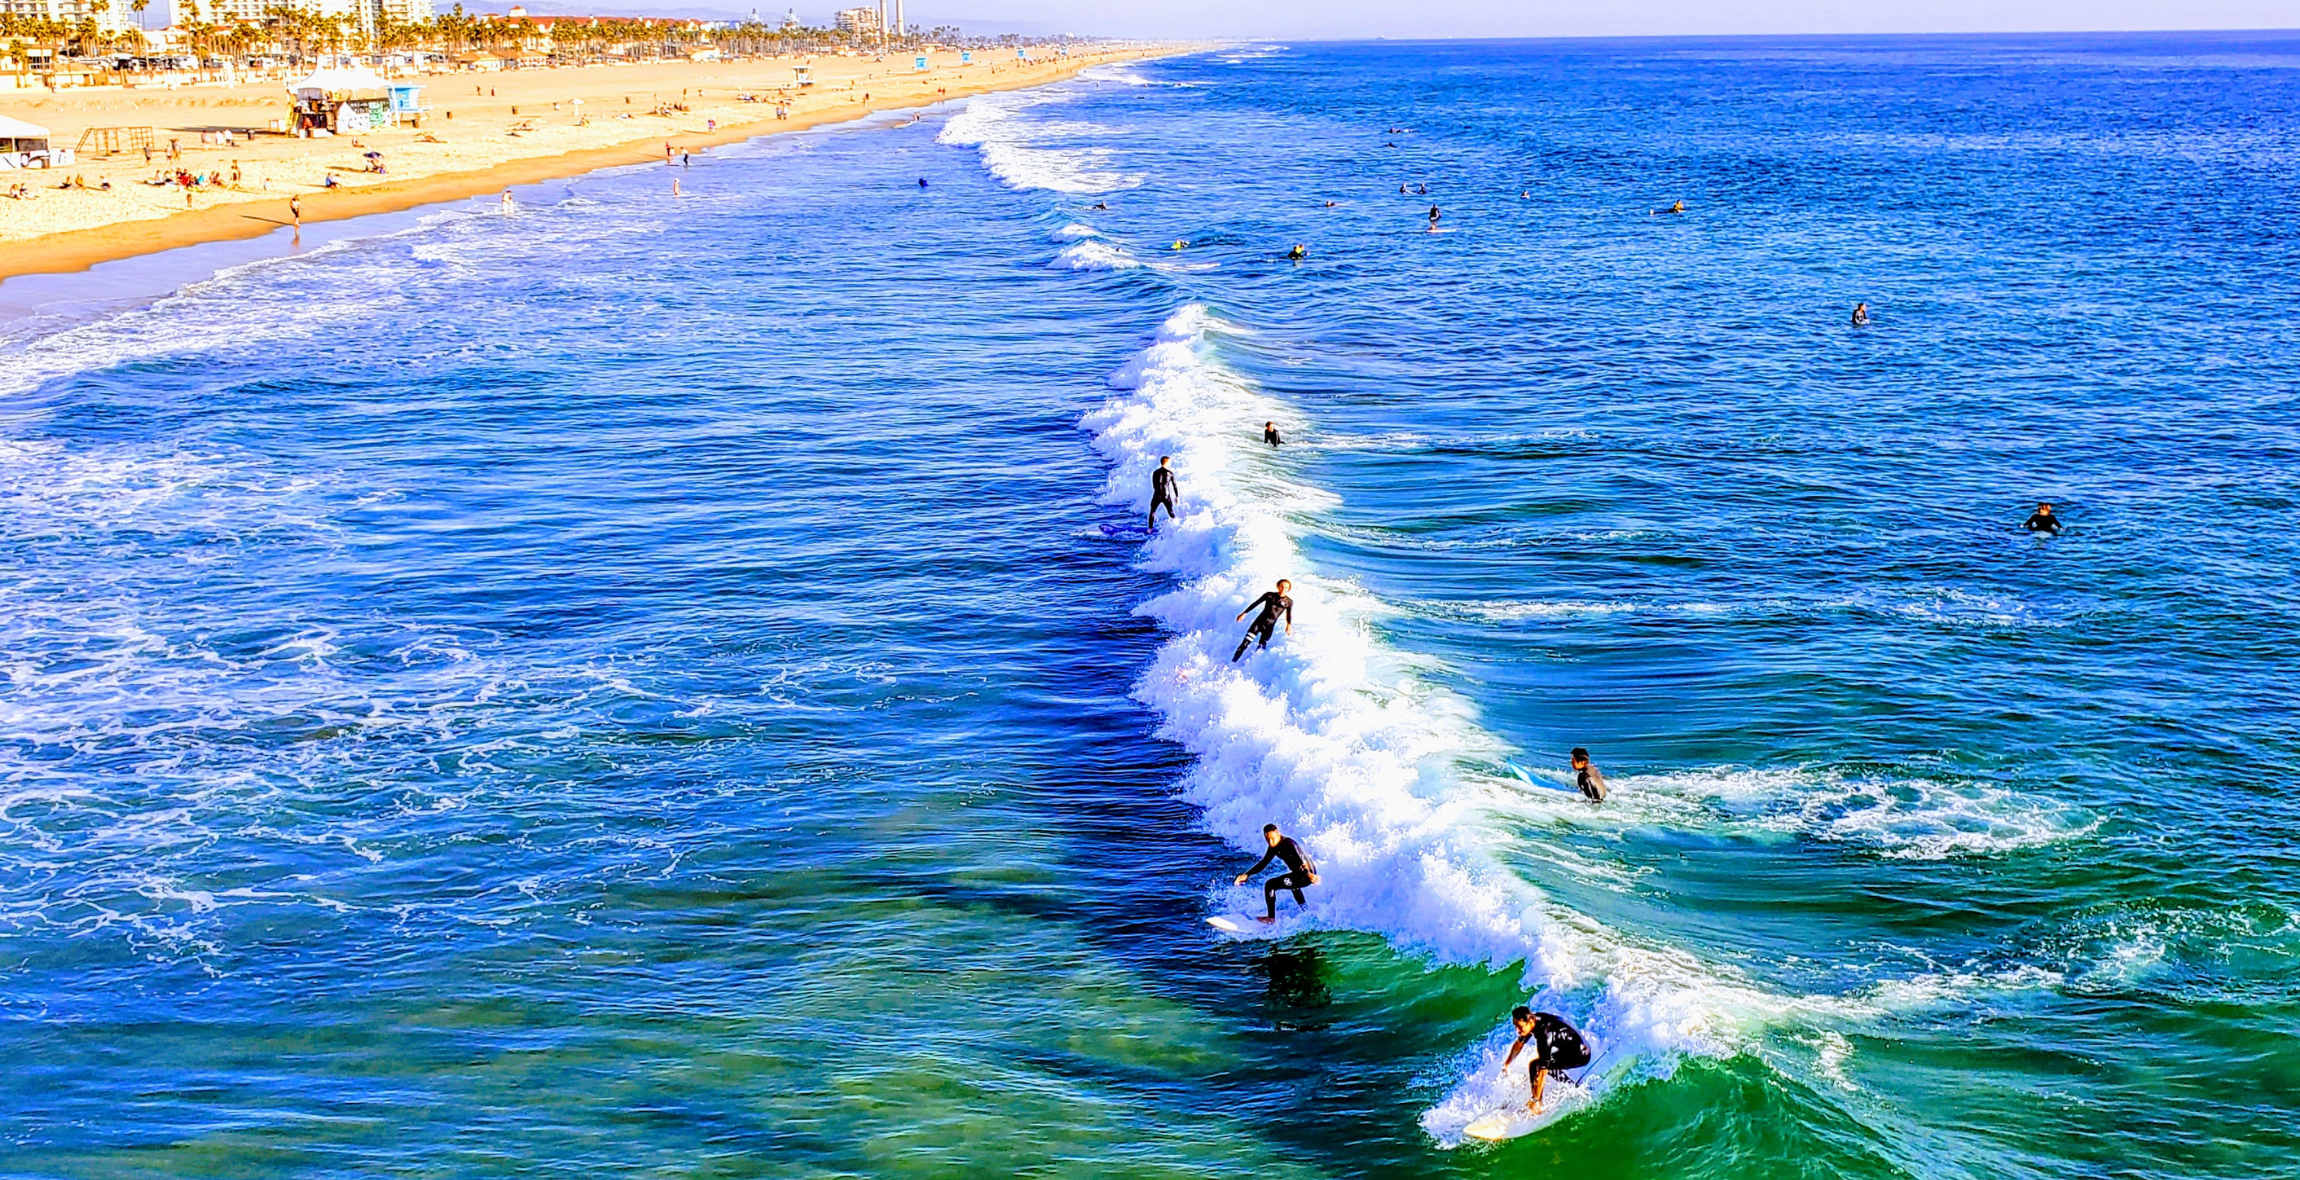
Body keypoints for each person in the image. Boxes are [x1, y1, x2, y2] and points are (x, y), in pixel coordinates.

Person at [1499, 1007, 1592, 1113]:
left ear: (1530, 1022)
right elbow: (1519, 1043)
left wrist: (1535, 1099)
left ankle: (1537, 1105)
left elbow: (1542, 1073)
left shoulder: (1544, 1036)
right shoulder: (1534, 1020)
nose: (1517, 1030)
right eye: (1515, 1025)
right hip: (1568, 1047)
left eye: (1519, 1027)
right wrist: (1507, 1063)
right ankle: (1572, 1087)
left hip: (1581, 1054)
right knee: (1543, 1063)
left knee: (1536, 1065)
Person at [1234, 823, 1318, 922]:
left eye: (1272, 838)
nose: (1270, 842)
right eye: (1268, 839)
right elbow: (1264, 863)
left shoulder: (1289, 844)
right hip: (1299, 874)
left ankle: (1270, 919)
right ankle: (1305, 911)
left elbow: (1302, 861)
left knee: (1270, 885)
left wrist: (1308, 874)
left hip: (1305, 874)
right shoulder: (1273, 847)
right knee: (1294, 886)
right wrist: (1246, 874)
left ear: (1278, 833)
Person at [1232, 579, 1293, 662]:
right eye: (1281, 586)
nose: (1283, 589)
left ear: (1288, 589)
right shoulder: (1269, 595)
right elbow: (1255, 603)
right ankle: (1233, 662)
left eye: (1286, 587)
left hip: (1269, 627)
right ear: (1278, 586)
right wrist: (1244, 613)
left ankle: (1253, 666)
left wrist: (1289, 625)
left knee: (1261, 647)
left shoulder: (1289, 602)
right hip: (1258, 623)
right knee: (1244, 644)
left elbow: (1288, 614)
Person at [1148, 455, 1180, 529]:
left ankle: (1150, 529)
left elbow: (1154, 485)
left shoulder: (1155, 473)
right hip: (1166, 495)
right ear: (1167, 462)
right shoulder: (1170, 473)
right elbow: (1174, 485)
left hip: (1157, 495)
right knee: (1170, 511)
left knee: (1152, 512)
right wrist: (1177, 497)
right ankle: (1176, 526)